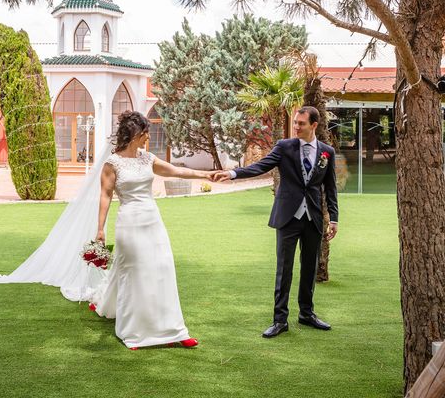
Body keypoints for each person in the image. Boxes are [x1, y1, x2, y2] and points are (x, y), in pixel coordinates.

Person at [89, 111, 217, 350]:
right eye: (145, 132)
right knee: (135, 271)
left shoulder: (147, 158)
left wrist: (206, 174)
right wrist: (100, 230)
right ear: (133, 134)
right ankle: (133, 331)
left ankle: (175, 329)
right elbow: (105, 196)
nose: (148, 136)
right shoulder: (112, 163)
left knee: (161, 267)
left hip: (152, 219)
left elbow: (176, 171)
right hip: (129, 221)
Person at [214, 106, 339, 338]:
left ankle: (307, 313)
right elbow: (260, 166)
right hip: (287, 216)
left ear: (314, 125)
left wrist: (333, 218)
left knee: (310, 268)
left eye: (301, 123)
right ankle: (279, 320)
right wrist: (233, 174)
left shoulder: (327, 152)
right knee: (285, 268)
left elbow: (330, 188)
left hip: (313, 218)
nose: (296, 127)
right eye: (295, 123)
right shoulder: (284, 147)